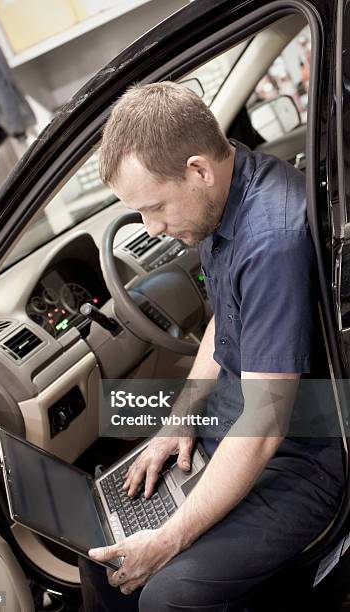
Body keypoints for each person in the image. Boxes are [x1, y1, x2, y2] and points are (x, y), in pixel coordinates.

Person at [79, 82, 344, 612]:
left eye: (154, 208)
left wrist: (169, 539)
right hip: (231, 427)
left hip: (298, 461)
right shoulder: (222, 199)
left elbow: (265, 424)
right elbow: (227, 322)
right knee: (98, 547)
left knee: (166, 597)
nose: (152, 228)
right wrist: (179, 418)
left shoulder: (270, 241)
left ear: (198, 169)